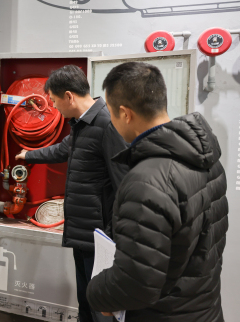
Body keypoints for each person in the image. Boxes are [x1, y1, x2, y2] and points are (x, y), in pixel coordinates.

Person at [87, 62, 228, 321]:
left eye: (111, 114)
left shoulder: (146, 180)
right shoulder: (207, 160)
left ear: (125, 113)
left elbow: (136, 281)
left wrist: (97, 293)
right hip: (204, 309)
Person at [15, 65, 128, 322]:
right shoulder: (82, 124)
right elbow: (62, 150)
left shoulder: (107, 123)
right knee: (86, 301)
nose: (54, 107)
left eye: (54, 101)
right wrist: (29, 155)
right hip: (83, 234)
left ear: (69, 96)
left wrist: (114, 236)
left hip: (100, 237)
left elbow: (124, 184)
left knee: (101, 307)